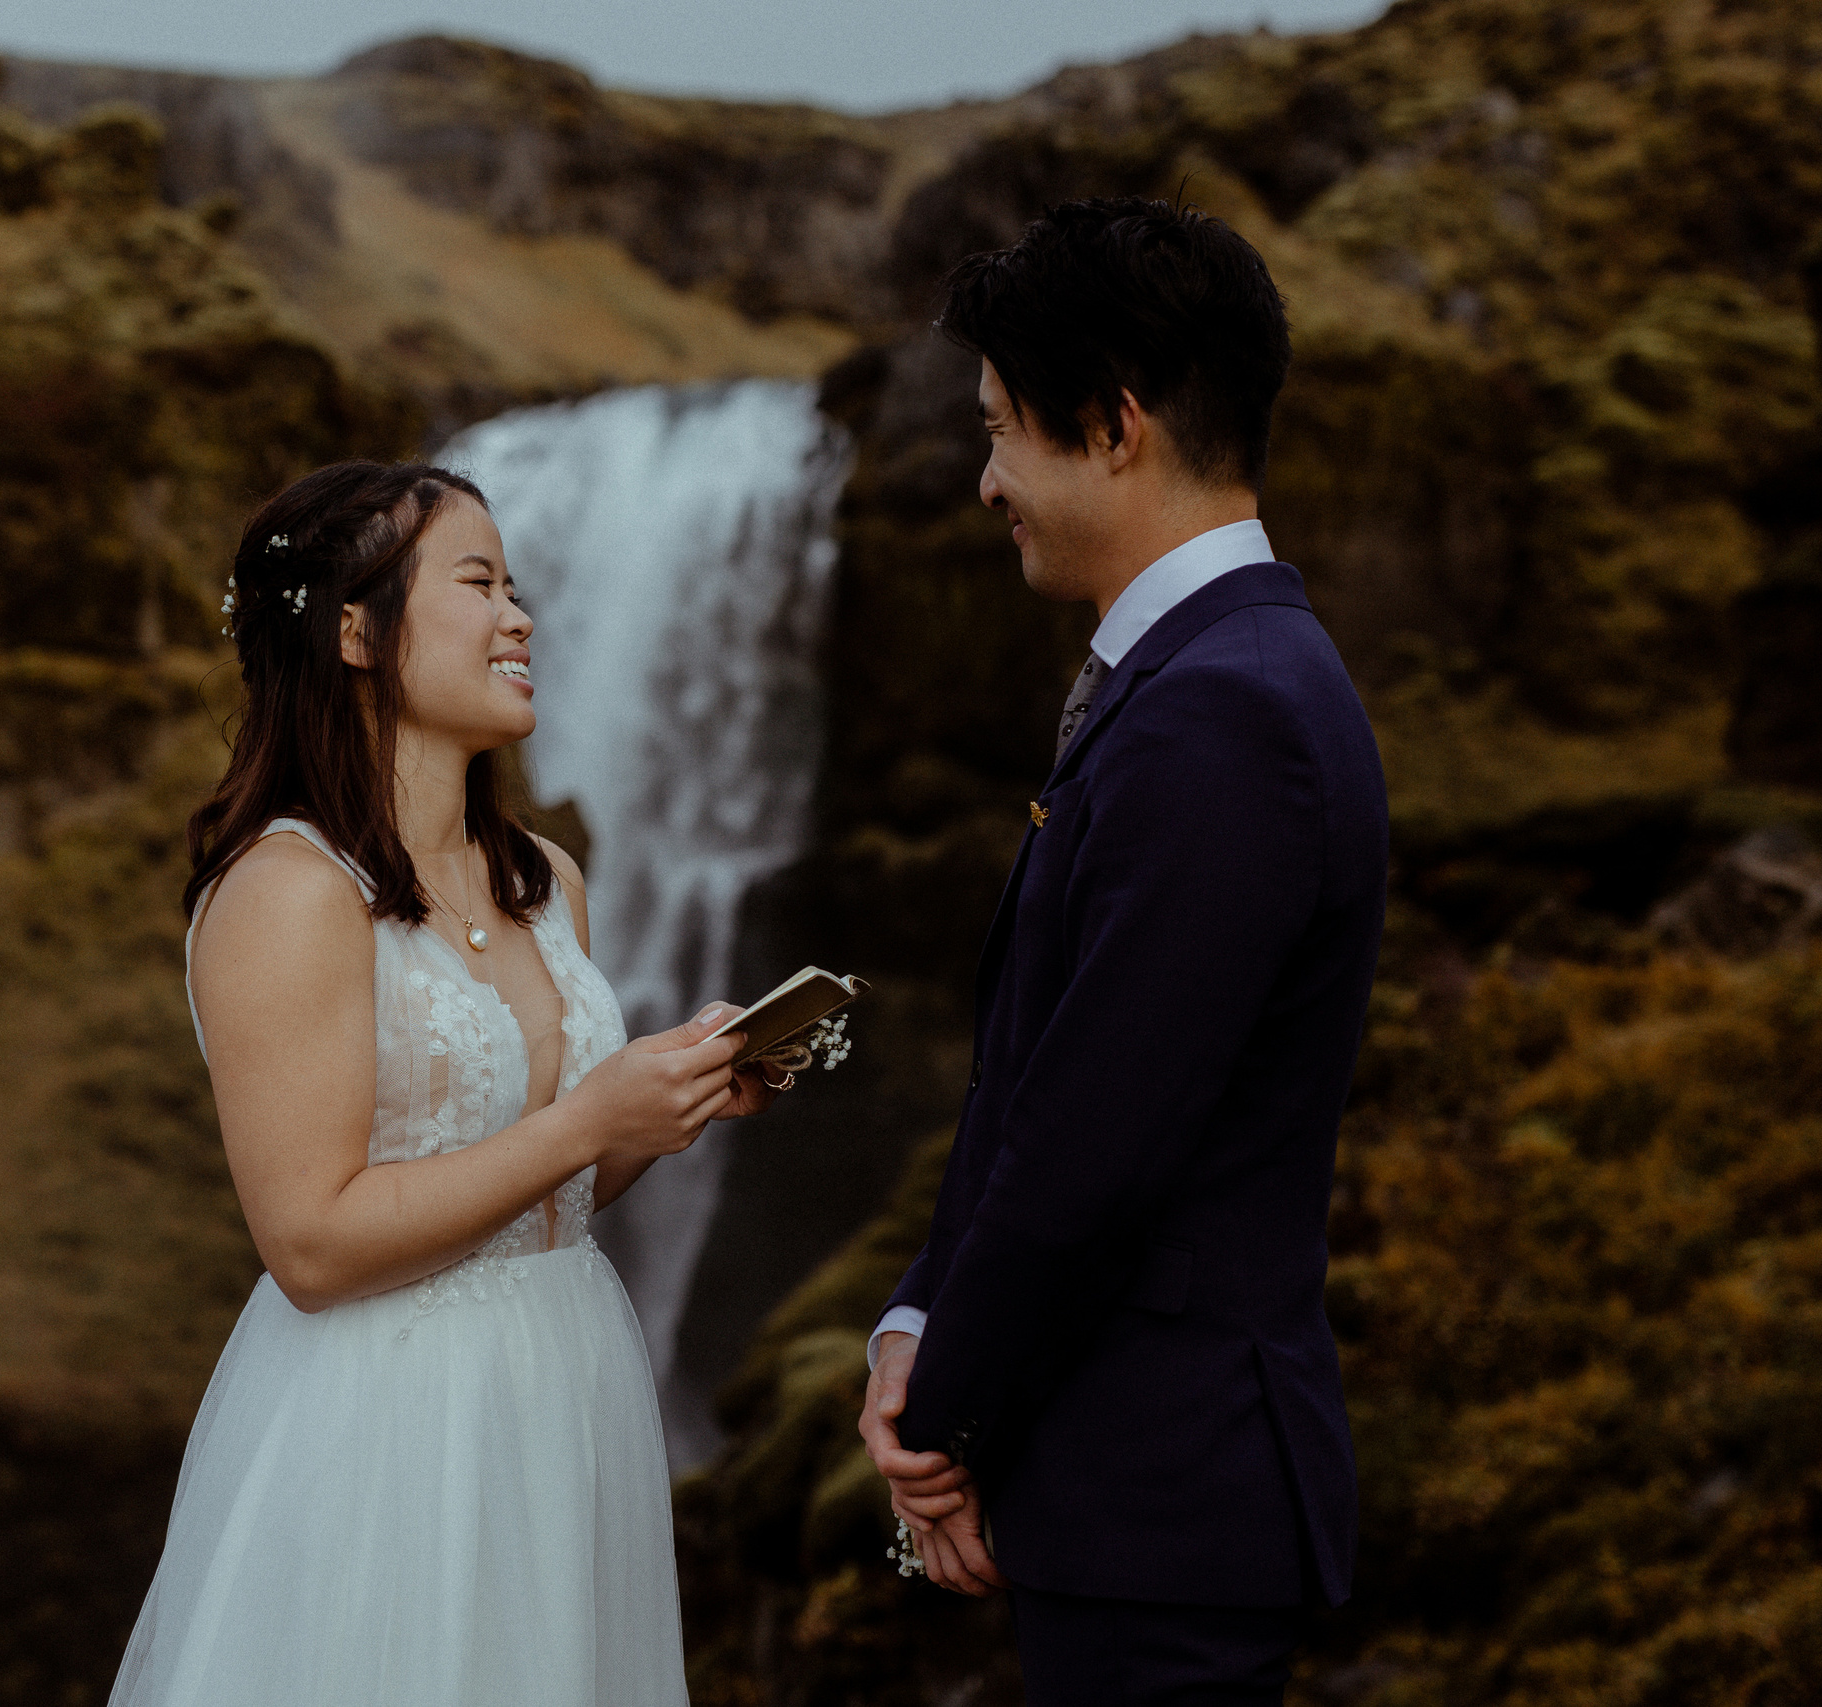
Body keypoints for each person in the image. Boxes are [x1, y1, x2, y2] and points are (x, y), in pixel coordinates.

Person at [109, 459, 785, 1705]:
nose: (518, 617)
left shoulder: (547, 879)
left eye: (516, 588)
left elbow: (538, 1196)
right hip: (389, 1421)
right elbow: (311, 1243)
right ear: (354, 632)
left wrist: (659, 1113)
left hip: (568, 1388)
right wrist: (588, 1118)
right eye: (478, 584)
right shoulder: (288, 892)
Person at [856, 197, 1390, 1703]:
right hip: (1132, 1494)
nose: (984, 482)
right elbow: (1034, 1085)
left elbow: (1097, 1143)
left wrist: (937, 1420)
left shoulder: (1227, 710)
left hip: (1165, 1499)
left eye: (1000, 431)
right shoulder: (1212, 675)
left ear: (1112, 422)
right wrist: (914, 1317)